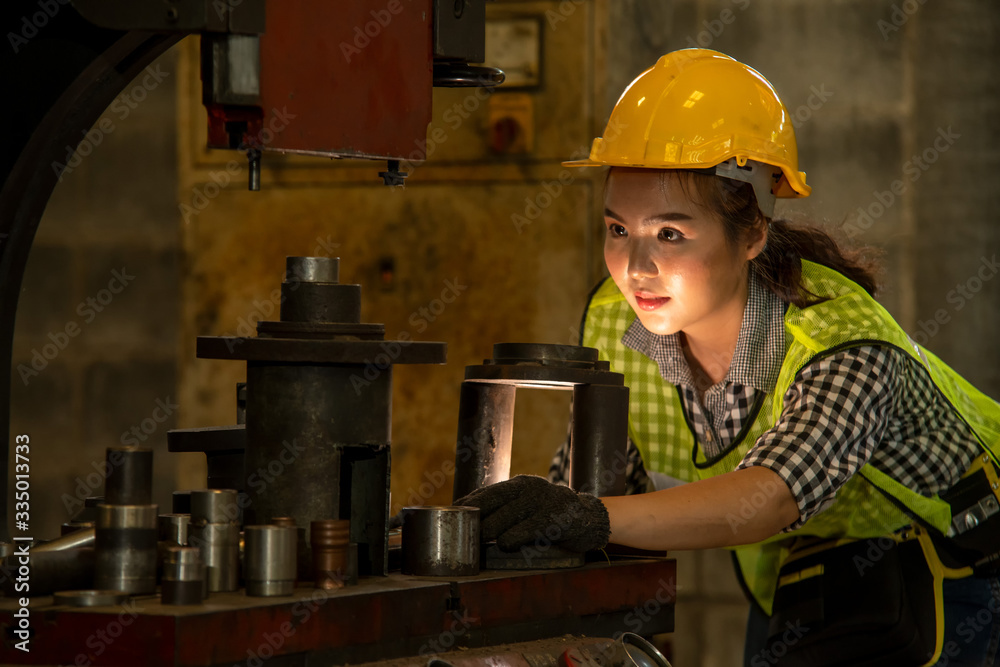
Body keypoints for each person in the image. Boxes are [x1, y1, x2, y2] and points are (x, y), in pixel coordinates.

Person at [456, 49, 1000, 666]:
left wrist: (591, 518)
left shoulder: (842, 342)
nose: (635, 269)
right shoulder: (615, 318)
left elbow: (773, 494)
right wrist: (528, 523)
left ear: (752, 235)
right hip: (805, 574)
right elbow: (606, 480)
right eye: (617, 230)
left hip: (962, 572)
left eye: (670, 234)